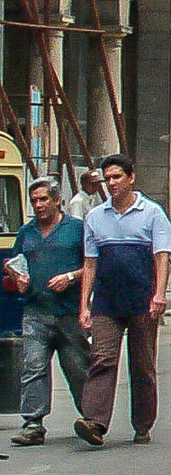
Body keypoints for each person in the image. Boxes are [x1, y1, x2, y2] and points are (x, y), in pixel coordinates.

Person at [74, 154, 171, 447]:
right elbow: (90, 263)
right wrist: (84, 305)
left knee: (142, 364)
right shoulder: (95, 217)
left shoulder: (152, 213)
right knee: (102, 358)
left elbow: (162, 257)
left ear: (131, 178)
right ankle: (94, 421)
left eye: (117, 177)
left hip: (142, 301)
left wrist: (159, 295)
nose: (111, 184)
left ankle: (142, 424)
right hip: (107, 302)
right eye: (107, 179)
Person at [10, 178, 88, 446]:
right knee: (33, 366)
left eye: (43, 199)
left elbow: (92, 267)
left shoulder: (76, 230)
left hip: (69, 313)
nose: (38, 205)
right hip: (36, 312)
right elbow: (14, 262)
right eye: (34, 201)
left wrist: (70, 277)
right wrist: (18, 277)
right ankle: (33, 424)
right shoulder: (27, 232)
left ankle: (91, 418)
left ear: (57, 200)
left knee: (78, 368)